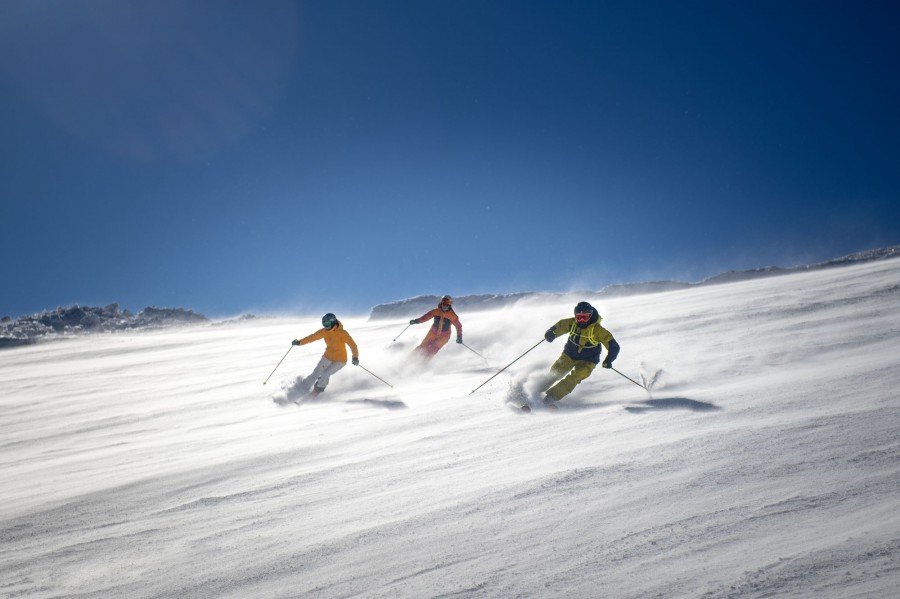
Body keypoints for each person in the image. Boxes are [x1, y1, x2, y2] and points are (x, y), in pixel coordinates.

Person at [540, 301, 620, 406]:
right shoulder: (572, 323)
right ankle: (535, 390)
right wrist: (551, 333)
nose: (581, 321)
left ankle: (551, 397)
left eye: (585, 317)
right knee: (556, 372)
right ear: (575, 316)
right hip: (569, 355)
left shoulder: (598, 330)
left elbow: (614, 346)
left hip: (587, 361)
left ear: (590, 317)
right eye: (579, 317)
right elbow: (559, 326)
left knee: (575, 378)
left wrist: (609, 359)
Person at [288, 312, 359, 397]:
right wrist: (299, 342)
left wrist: (355, 357)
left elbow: (353, 345)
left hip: (340, 360)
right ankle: (302, 388)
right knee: (315, 373)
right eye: (324, 324)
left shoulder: (342, 333)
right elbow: (312, 337)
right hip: (327, 356)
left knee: (325, 374)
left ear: (333, 322)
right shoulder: (324, 332)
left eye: (327, 323)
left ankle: (315, 392)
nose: (326, 326)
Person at [408, 295, 463, 359]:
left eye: (447, 304)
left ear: (450, 305)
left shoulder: (452, 316)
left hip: (444, 337)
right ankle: (409, 359)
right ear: (441, 303)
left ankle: (423, 363)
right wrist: (416, 321)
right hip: (432, 333)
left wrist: (459, 337)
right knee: (423, 346)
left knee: (432, 349)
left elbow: (458, 326)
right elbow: (425, 318)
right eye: (444, 303)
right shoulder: (435, 311)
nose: (445, 305)